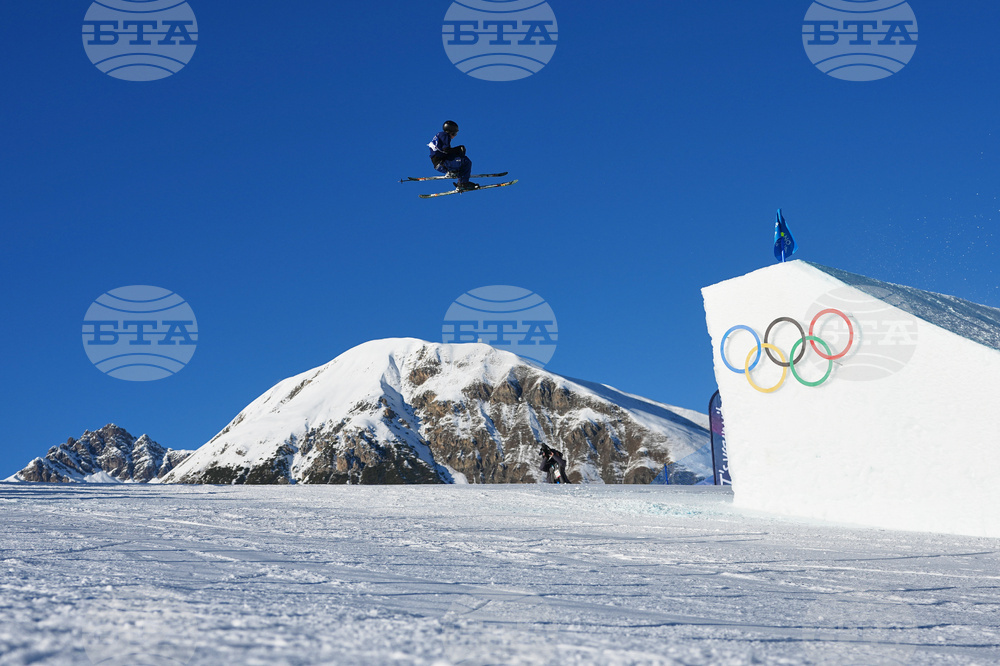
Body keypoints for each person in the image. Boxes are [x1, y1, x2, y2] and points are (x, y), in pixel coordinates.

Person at [428, 120, 479, 191]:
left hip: (439, 163)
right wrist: (458, 150)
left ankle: (456, 174)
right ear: (450, 132)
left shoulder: (439, 135)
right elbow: (446, 149)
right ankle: (463, 183)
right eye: (455, 133)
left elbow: (443, 151)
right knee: (466, 161)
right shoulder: (445, 135)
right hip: (442, 163)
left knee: (461, 157)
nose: (455, 136)